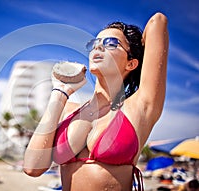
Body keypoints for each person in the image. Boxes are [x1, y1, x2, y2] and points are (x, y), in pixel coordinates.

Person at [23, 12, 168, 191]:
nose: (98, 48)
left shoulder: (140, 107)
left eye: (110, 43)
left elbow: (158, 21)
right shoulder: (69, 109)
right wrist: (60, 90)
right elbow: (32, 167)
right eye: (95, 43)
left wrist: (135, 42)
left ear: (131, 64)